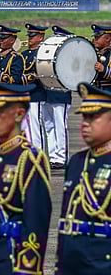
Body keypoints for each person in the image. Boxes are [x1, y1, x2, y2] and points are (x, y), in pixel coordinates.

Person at [0, 78, 51, 275]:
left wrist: (27, 269)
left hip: (11, 260)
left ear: (18, 114)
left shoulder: (29, 159)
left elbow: (36, 221)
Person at [54, 82, 111, 275]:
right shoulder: (77, 161)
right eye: (84, 117)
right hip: (73, 261)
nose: (85, 123)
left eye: (94, 118)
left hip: (102, 262)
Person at [42, 25, 73, 170]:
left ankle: (62, 157)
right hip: (47, 92)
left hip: (61, 93)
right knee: (49, 125)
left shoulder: (69, 54)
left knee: (60, 126)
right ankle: (54, 156)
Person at [21, 23, 48, 150]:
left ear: (41, 37)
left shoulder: (42, 54)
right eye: (29, 36)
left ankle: (38, 154)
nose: (29, 38)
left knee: (35, 126)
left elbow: (41, 73)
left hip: (36, 94)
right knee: (25, 127)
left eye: (33, 36)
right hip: (24, 95)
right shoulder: (24, 54)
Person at [92, 24, 111, 92]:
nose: (95, 39)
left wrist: (104, 70)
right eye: (95, 37)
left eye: (98, 37)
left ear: (107, 38)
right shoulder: (93, 53)